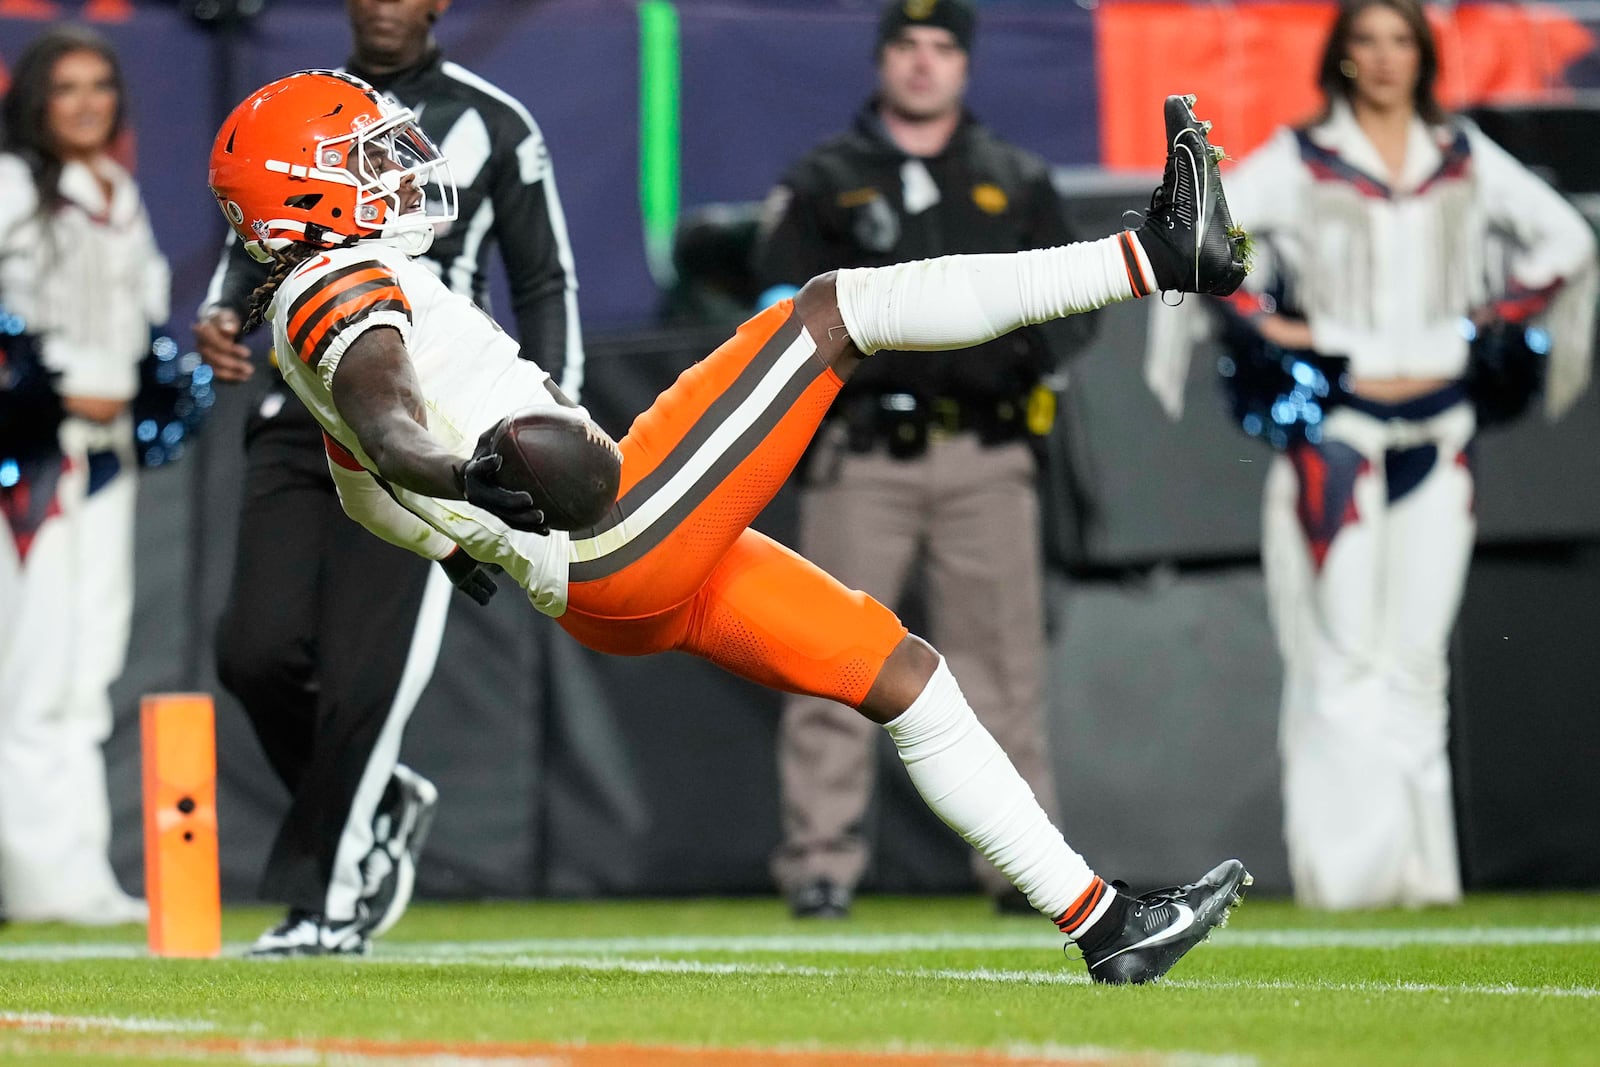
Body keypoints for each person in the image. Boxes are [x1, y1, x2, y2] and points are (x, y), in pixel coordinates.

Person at [210, 69, 1249, 984]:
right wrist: (468, 479)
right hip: (618, 529)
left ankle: (1104, 921)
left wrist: (454, 532)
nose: (396, 170)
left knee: (902, 674)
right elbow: (390, 429)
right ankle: (1154, 256)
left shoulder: (309, 302)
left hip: (598, 582)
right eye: (367, 157)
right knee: (835, 309)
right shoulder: (340, 282)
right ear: (302, 191)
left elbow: (360, 482)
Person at [1146, 0, 1596, 909]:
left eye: (1401, 40)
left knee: (1417, 661)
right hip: (1336, 436)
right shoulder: (1305, 158)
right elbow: (1207, 233)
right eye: (1368, 41)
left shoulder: (1460, 156)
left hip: (1440, 430)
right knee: (1341, 653)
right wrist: (1270, 318)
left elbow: (1569, 237)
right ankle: (1346, 882)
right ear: (1343, 58)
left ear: (1422, 55)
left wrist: (1482, 322)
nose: (1386, 58)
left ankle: (1424, 880)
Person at [191, 0, 583, 956]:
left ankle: (329, 902)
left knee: (370, 665)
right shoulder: (304, 109)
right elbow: (266, 234)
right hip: (303, 408)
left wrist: (548, 422)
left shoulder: (494, 122)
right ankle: (377, 803)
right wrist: (217, 311)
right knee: (253, 650)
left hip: (426, 409)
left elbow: (544, 278)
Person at [751, 0, 1096, 918]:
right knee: (826, 655)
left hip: (985, 451)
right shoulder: (826, 179)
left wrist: (1019, 363)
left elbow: (1076, 309)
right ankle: (820, 863)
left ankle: (1029, 872)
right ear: (881, 58)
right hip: (864, 454)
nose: (923, 63)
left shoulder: (1013, 178)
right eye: (907, 45)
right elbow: (777, 302)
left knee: (1004, 671)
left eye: (943, 47)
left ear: (966, 66)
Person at [0, 25, 166, 925]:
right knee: (32, 666)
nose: (87, 101)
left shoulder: (117, 191)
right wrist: (46, 378)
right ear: (36, 99)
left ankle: (82, 874)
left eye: (101, 83)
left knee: (88, 665)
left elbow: (140, 325)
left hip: (107, 461)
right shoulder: (10, 187)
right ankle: (35, 880)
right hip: (27, 460)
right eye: (66, 87)